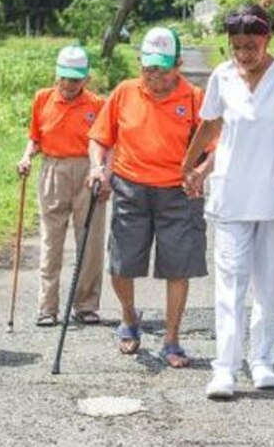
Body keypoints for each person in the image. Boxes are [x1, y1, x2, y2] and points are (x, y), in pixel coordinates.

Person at [183, 5, 274, 399]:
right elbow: (210, 125)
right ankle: (224, 367)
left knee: (270, 284)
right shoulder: (222, 76)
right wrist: (188, 165)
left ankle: (263, 360)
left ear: (268, 40)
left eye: (252, 45)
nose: (244, 53)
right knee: (230, 284)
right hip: (230, 195)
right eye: (237, 46)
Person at [88, 27, 212, 368]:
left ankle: (171, 340)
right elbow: (100, 137)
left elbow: (217, 146)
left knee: (178, 266)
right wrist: (98, 167)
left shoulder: (195, 98)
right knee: (121, 262)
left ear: (178, 64)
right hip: (131, 188)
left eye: (162, 67)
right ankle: (129, 317)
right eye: (148, 66)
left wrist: (201, 172)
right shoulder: (124, 92)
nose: (154, 74)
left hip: (178, 191)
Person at [17, 46, 106, 327]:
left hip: (86, 171)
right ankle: (47, 308)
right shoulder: (42, 99)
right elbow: (35, 137)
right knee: (50, 241)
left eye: (75, 80)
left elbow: (105, 143)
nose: (69, 85)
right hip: (53, 170)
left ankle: (86, 305)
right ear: (57, 76)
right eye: (65, 78)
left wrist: (103, 172)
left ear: (86, 79)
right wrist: (26, 156)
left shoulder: (96, 104)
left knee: (90, 242)